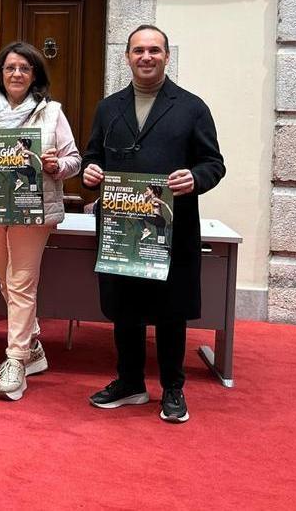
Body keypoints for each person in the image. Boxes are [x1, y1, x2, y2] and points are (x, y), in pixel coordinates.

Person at [81, 24, 225, 423]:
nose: (146, 57)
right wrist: (91, 174)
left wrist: (195, 179)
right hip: (121, 228)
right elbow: (94, 159)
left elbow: (214, 164)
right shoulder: (108, 108)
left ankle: (173, 388)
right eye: (139, 50)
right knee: (124, 308)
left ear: (166, 56)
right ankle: (130, 383)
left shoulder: (192, 107)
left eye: (154, 50)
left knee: (170, 311)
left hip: (172, 229)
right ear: (127, 57)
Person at [0, 41, 81, 401]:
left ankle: (15, 360)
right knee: (4, 276)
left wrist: (59, 165)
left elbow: (73, 159)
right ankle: (34, 347)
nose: (16, 74)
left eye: (24, 69)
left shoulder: (52, 112)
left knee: (22, 280)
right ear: (0, 72)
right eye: (10, 68)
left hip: (32, 208)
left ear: (34, 75)